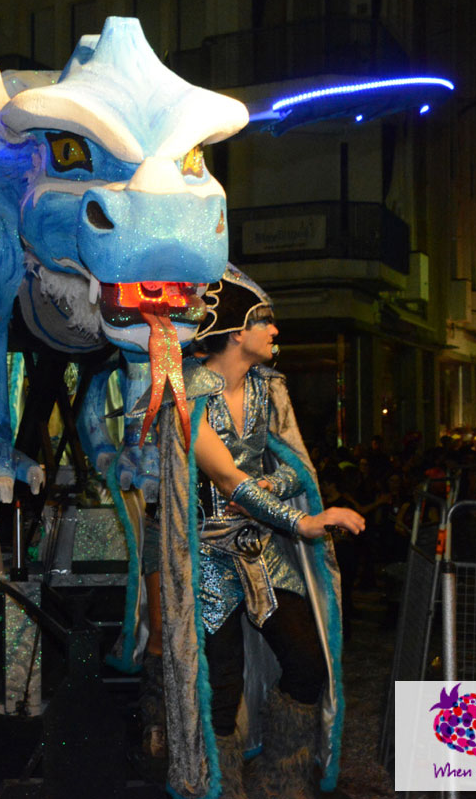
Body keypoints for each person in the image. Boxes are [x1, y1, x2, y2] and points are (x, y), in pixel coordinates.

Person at [140, 266, 364, 799]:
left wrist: (279, 485)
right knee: (219, 687)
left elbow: (295, 470)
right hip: (207, 559)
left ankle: (282, 777)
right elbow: (223, 474)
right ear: (238, 331)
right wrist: (303, 520)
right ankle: (220, 787)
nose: (275, 332)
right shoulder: (184, 394)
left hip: (262, 551)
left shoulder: (272, 390)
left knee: (309, 664)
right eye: (266, 321)